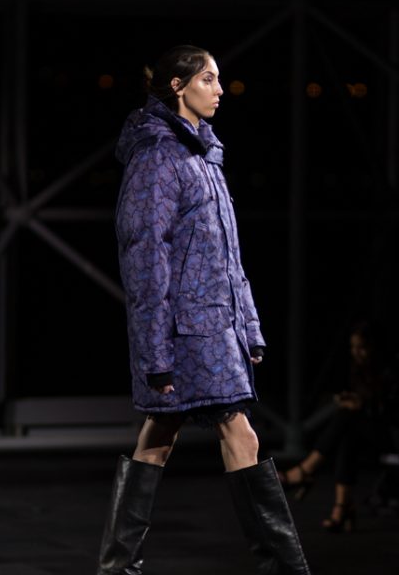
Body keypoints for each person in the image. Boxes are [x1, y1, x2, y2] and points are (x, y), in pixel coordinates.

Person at [97, 45, 310, 575]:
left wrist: (249, 326)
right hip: (186, 328)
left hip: (214, 323)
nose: (219, 90)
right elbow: (145, 256)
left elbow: (227, 254)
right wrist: (154, 351)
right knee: (227, 434)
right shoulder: (157, 157)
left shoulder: (203, 156)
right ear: (178, 85)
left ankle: (117, 568)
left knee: (163, 436)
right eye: (208, 79)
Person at [278, 321, 399, 533]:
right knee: (347, 431)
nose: (356, 353)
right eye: (353, 347)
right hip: (369, 431)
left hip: (394, 435)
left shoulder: (394, 370)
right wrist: (352, 400)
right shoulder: (359, 370)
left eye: (362, 347)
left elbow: (398, 411)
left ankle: (305, 472)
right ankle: (341, 506)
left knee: (347, 419)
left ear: (374, 347)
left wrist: (363, 405)